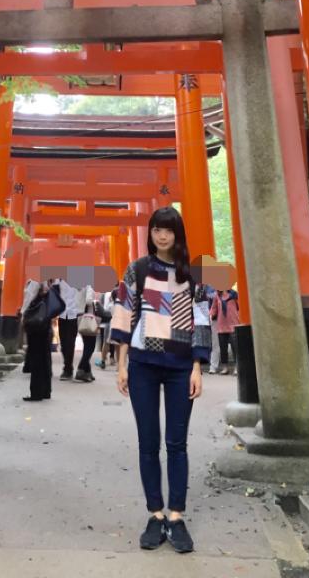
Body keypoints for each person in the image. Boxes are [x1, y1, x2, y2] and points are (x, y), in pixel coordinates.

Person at [112, 206, 211, 554]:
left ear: (177, 233)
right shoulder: (138, 269)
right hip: (143, 365)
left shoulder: (192, 275)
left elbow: (202, 321)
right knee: (148, 442)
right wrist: (121, 365)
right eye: (156, 229)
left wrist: (197, 367)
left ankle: (176, 516)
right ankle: (155, 514)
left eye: (168, 230)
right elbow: (124, 314)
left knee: (177, 443)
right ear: (151, 233)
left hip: (181, 367)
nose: (162, 236)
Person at [21, 280, 64, 402]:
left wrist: (23, 315)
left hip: (35, 320)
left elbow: (30, 296)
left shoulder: (37, 278)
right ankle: (45, 390)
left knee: (36, 357)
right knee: (45, 356)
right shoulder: (49, 279)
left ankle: (36, 392)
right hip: (44, 320)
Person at [56, 278, 81, 381]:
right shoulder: (59, 279)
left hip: (73, 314)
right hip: (62, 314)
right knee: (63, 343)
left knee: (70, 342)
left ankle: (67, 369)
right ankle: (68, 366)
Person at [210, 288, 239, 375]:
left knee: (235, 348)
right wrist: (211, 315)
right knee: (223, 348)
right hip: (221, 326)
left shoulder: (234, 295)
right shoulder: (217, 296)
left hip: (233, 324)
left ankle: (237, 367)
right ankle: (225, 367)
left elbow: (240, 307)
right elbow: (214, 309)